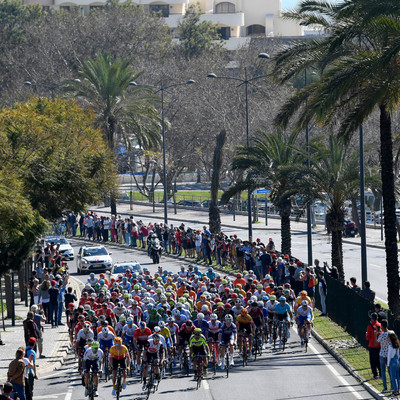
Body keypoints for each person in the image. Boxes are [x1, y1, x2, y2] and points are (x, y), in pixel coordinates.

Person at [366, 312, 381, 379]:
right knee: (379, 360)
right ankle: (381, 373)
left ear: (372, 318)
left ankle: (375, 374)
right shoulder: (380, 325)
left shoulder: (370, 326)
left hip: (372, 345)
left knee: (373, 361)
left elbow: (368, 337)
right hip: (379, 345)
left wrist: (366, 334)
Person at [376, 320, 390, 393]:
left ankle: (385, 387)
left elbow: (376, 343)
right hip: (389, 354)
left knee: (383, 372)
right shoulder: (390, 334)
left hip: (382, 354)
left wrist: (376, 334)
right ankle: (392, 386)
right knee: (390, 371)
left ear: (382, 326)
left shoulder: (381, 335)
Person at [387, 332, 400, 397]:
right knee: (397, 376)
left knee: (393, 377)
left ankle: (395, 391)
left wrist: (388, 364)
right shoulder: (397, 345)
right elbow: (398, 355)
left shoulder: (390, 346)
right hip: (397, 361)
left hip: (392, 361)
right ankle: (398, 390)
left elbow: (389, 356)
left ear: (390, 338)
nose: (388, 339)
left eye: (388, 338)